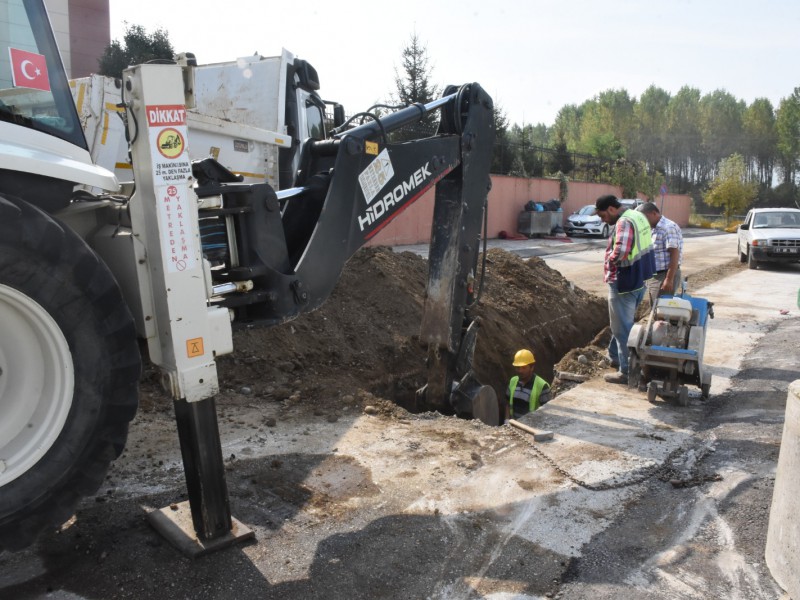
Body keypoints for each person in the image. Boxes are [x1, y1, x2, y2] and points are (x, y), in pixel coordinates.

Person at [594, 195, 656, 384]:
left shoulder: (624, 222)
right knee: (620, 324)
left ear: (611, 209)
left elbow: (621, 251)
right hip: (639, 280)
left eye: (603, 216)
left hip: (624, 283)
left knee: (623, 330)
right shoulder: (637, 216)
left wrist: (610, 260)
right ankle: (614, 356)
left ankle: (628, 372)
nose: (603, 220)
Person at [636, 202, 683, 307]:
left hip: (665, 275)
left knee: (660, 308)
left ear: (653, 213)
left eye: (644, 218)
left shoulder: (668, 227)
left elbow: (675, 255)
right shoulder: (653, 228)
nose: (643, 222)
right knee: (655, 307)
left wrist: (668, 279)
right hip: (655, 275)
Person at [505, 349, 551, 421]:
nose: (520, 371)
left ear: (532, 367)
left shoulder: (542, 386)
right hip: (514, 425)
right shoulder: (513, 381)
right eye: (518, 368)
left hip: (531, 427)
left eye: (524, 367)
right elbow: (507, 403)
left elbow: (547, 412)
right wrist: (506, 420)